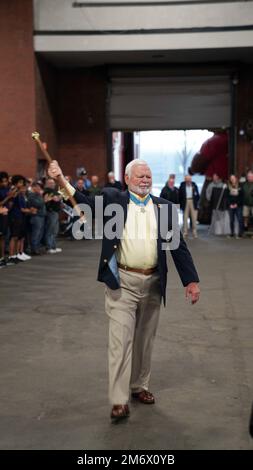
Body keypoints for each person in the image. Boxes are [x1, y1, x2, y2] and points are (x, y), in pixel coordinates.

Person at [48, 159, 200, 421]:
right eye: (140, 176)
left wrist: (191, 280)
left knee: (144, 341)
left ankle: (139, 386)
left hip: (154, 283)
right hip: (122, 284)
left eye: (148, 176)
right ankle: (119, 400)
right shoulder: (112, 199)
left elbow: (178, 246)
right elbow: (82, 201)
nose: (145, 180)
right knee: (120, 342)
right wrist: (61, 179)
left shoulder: (163, 208)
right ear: (127, 179)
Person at [189, 129, 228, 224]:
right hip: (226, 179)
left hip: (213, 178)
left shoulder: (214, 141)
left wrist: (193, 169)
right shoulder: (230, 140)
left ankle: (204, 217)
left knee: (206, 202)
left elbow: (200, 160)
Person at [43, 178, 62, 254]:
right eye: (50, 183)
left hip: (56, 212)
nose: (52, 184)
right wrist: (58, 197)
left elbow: (59, 197)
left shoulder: (54, 191)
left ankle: (54, 246)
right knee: (50, 230)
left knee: (55, 230)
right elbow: (56, 199)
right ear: (47, 184)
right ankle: (49, 247)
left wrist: (58, 197)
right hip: (51, 212)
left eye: (53, 183)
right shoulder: (47, 191)